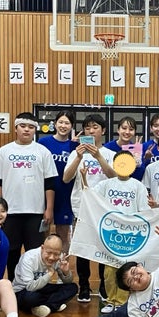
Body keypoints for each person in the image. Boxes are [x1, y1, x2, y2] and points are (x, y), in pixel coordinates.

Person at [0, 112, 58, 280]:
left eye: (31, 127)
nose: (27, 130)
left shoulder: (43, 152)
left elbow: (49, 184)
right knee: (11, 251)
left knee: (35, 251)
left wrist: (49, 209)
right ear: (16, 128)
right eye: (23, 126)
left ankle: (33, 285)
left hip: (35, 212)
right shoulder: (4, 151)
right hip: (10, 212)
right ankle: (13, 284)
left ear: (35, 130)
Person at [84, 150, 150, 313]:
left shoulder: (138, 186)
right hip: (110, 233)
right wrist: (84, 178)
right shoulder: (106, 184)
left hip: (130, 234)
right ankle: (111, 300)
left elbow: (144, 211)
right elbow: (90, 196)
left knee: (127, 269)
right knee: (109, 270)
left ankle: (123, 301)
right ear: (114, 165)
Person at [63, 114, 116, 303]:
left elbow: (114, 177)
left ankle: (103, 286)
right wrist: (78, 157)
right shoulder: (75, 153)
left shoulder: (110, 154)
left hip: (104, 209)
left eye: (95, 127)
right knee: (83, 248)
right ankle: (84, 286)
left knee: (103, 248)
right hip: (81, 208)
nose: (91, 131)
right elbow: (66, 178)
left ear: (103, 130)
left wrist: (98, 156)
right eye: (87, 128)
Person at [38, 110, 79, 254]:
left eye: (67, 123)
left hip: (65, 194)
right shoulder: (43, 143)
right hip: (45, 193)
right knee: (44, 230)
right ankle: (44, 262)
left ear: (72, 126)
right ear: (55, 124)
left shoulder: (75, 146)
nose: (63, 126)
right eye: (60, 122)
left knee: (63, 233)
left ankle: (62, 264)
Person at [12, 234, 78, 317]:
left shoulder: (59, 258)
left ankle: (45, 307)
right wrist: (49, 274)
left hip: (42, 287)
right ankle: (54, 304)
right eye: (49, 253)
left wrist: (66, 272)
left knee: (73, 287)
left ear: (60, 252)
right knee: (31, 298)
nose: (52, 257)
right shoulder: (29, 258)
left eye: (56, 254)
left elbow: (67, 282)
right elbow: (30, 287)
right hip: (23, 290)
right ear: (42, 248)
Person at [103, 116, 145, 181]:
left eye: (131, 129)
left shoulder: (136, 150)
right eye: (124, 128)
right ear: (118, 130)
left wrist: (137, 164)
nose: (127, 132)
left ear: (134, 132)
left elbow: (139, 177)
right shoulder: (108, 148)